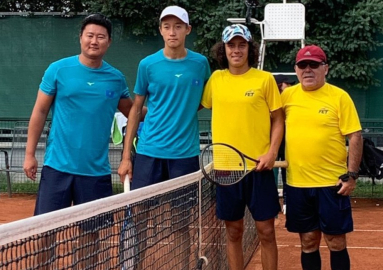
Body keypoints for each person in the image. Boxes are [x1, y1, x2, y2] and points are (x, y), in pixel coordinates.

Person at [23, 14, 144, 268]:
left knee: (89, 239)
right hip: (57, 167)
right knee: (46, 234)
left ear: (109, 42)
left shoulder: (116, 78)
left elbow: (133, 112)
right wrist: (29, 153)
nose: (94, 41)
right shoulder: (58, 69)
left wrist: (168, 105)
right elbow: (40, 112)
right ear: (80, 38)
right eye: (89, 35)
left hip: (95, 173)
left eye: (101, 37)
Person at [117, 5, 211, 269]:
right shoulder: (147, 65)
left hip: (185, 155)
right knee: (140, 218)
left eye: (178, 26)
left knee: (182, 222)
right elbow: (136, 109)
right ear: (160, 30)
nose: (172, 32)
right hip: (148, 153)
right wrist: (126, 157)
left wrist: (185, 109)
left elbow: (206, 98)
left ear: (187, 30)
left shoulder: (201, 64)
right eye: (167, 26)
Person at [201, 24, 284, 270]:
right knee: (233, 231)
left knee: (266, 231)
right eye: (231, 45)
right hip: (226, 169)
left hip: (259, 168)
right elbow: (192, 105)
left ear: (250, 48)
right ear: (223, 49)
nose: (236, 50)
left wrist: (271, 153)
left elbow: (278, 119)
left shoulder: (265, 79)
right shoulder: (216, 79)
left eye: (241, 45)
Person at [281, 45, 363, 270]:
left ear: (325, 68)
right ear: (296, 70)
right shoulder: (286, 97)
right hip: (297, 184)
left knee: (335, 241)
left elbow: (355, 136)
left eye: (314, 65)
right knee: (308, 241)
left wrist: (352, 175)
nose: (308, 70)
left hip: (332, 184)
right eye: (302, 65)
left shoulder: (339, 97)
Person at [273, 74, 295, 213]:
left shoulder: (291, 103)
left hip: (289, 148)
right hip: (273, 148)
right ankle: (273, 205)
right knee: (271, 178)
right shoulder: (271, 103)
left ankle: (288, 203)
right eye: (287, 84)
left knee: (288, 177)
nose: (290, 86)